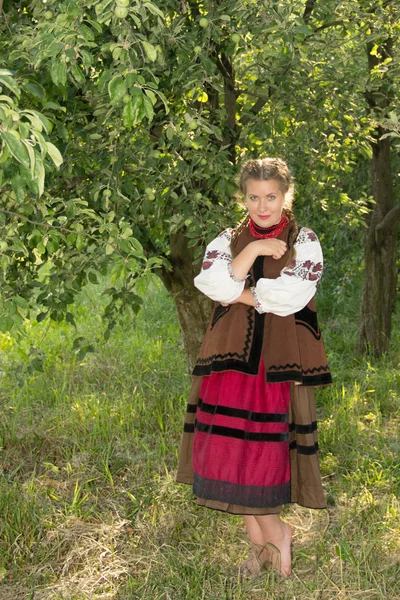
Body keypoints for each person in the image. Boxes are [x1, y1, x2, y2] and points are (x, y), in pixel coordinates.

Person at [176, 157, 332, 577]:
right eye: (253, 197)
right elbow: (212, 284)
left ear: (286, 195)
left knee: (262, 452)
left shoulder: (305, 239)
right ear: (242, 197)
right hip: (229, 359)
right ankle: (258, 547)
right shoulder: (230, 238)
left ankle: (277, 534)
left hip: (275, 362)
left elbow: (291, 295)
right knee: (232, 451)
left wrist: (240, 289)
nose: (262, 207)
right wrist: (253, 249)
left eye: (271, 197)